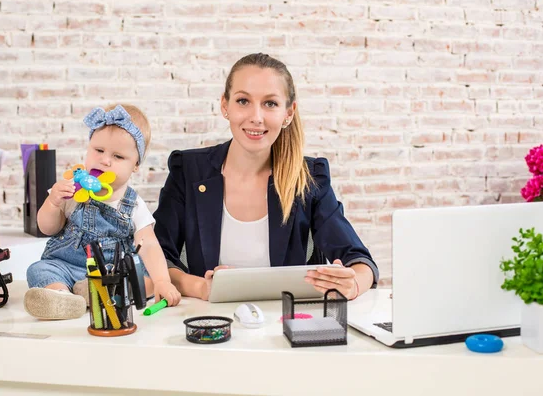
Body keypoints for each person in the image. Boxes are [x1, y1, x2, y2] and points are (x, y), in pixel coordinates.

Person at [153, 53, 378, 301]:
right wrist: (201, 288)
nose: (256, 117)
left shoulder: (310, 178)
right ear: (225, 105)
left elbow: (360, 261)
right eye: (243, 101)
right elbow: (157, 256)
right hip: (210, 322)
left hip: (284, 324)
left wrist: (353, 284)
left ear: (288, 113)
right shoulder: (188, 170)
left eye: (270, 103)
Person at [24, 104, 181, 320]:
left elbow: (150, 245)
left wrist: (163, 280)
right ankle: (61, 296)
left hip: (113, 274)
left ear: (135, 165)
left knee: (146, 279)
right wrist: (52, 202)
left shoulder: (133, 204)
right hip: (68, 266)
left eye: (118, 157)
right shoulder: (71, 189)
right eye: (99, 151)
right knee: (38, 270)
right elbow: (47, 227)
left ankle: (94, 293)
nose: (105, 160)